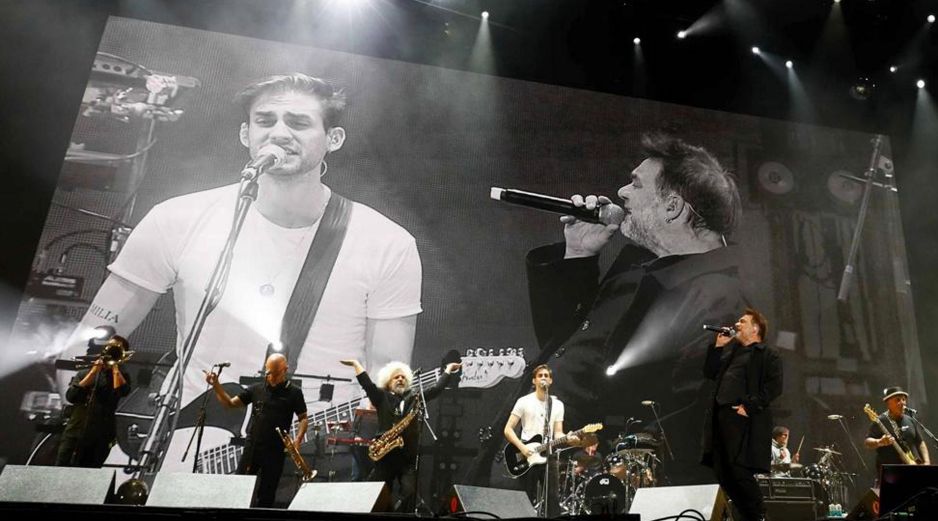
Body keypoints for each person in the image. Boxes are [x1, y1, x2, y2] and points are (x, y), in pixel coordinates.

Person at [55, 73, 422, 471]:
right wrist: (97, 441)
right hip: (182, 454)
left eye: (298, 122)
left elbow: (389, 389)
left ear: (334, 139)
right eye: (265, 121)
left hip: (315, 459)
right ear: (245, 134)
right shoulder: (177, 219)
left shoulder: (385, 242)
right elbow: (84, 349)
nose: (279, 132)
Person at [496, 132, 745, 485]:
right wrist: (579, 256)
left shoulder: (720, 300)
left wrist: (603, 472)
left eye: (636, 184)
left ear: (672, 207)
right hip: (539, 470)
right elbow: (561, 345)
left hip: (596, 488)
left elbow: (683, 426)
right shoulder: (639, 268)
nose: (622, 193)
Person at [340, 358, 460, 512]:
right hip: (385, 455)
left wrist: (448, 370)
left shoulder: (415, 397)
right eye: (396, 377)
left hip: (407, 455)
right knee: (378, 494)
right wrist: (356, 365)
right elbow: (367, 385)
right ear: (388, 381)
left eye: (403, 377)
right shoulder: (381, 397)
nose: (400, 379)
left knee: (410, 492)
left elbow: (436, 389)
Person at [701, 309, 783, 521]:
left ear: (755, 328)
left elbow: (774, 387)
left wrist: (750, 406)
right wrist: (718, 348)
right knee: (722, 471)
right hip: (720, 418)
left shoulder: (767, 354)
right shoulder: (732, 354)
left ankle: (758, 514)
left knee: (739, 470)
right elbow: (710, 373)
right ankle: (747, 515)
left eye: (742, 321)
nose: (737, 324)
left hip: (743, 419)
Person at [204, 353, 308, 508]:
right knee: (239, 488)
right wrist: (216, 385)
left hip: (276, 450)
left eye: (275, 373)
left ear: (285, 370)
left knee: (267, 494)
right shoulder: (256, 389)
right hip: (252, 447)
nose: (270, 377)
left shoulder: (294, 392)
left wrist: (298, 438)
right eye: (268, 373)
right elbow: (231, 404)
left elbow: (303, 418)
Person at [503, 364, 578, 516]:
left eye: (546, 376)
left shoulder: (557, 405)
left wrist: (568, 439)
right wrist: (522, 448)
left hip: (548, 456)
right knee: (525, 498)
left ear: (551, 381)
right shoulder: (523, 401)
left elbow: (557, 433)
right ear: (534, 381)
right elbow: (508, 429)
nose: (543, 378)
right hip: (527, 455)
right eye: (540, 376)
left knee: (552, 499)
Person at [55, 334, 132, 467]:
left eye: (117, 349)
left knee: (89, 473)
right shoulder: (84, 373)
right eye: (110, 346)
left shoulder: (122, 376)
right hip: (75, 431)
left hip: (101, 435)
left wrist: (115, 366)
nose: (112, 350)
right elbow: (71, 396)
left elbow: (122, 391)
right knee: (61, 467)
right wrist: (93, 371)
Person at [864, 386, 930, 477]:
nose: (902, 403)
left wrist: (926, 462)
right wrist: (879, 442)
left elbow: (920, 442)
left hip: (910, 469)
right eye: (897, 400)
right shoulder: (880, 420)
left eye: (903, 399)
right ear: (888, 403)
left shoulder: (910, 420)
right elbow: (867, 442)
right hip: (889, 474)